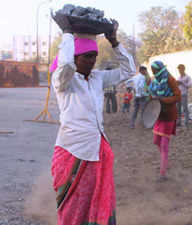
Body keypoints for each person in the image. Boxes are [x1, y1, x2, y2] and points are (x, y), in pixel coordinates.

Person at [50, 14, 135, 225]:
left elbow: (128, 70)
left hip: (97, 150)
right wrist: (67, 33)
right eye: (86, 56)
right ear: (76, 57)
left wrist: (114, 41)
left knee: (94, 204)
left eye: (93, 56)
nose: (91, 61)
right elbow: (67, 64)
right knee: (72, 207)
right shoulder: (64, 81)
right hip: (73, 151)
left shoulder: (97, 78)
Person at [149, 61, 181, 181]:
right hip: (158, 115)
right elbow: (152, 94)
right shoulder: (155, 81)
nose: (153, 72)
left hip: (168, 115)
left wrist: (163, 100)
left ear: (160, 69)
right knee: (156, 141)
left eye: (155, 70)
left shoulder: (170, 79)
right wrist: (152, 99)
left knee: (164, 144)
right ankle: (166, 161)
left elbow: (178, 96)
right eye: (152, 70)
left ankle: (163, 173)